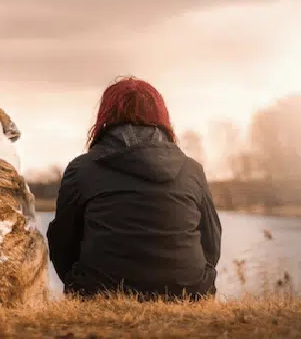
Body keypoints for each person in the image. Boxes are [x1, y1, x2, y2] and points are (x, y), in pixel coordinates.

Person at [46, 76, 222, 301]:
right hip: (189, 294)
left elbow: (62, 242)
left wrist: (78, 283)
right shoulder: (192, 170)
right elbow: (212, 243)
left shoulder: (81, 169)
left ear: (104, 117)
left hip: (100, 293)